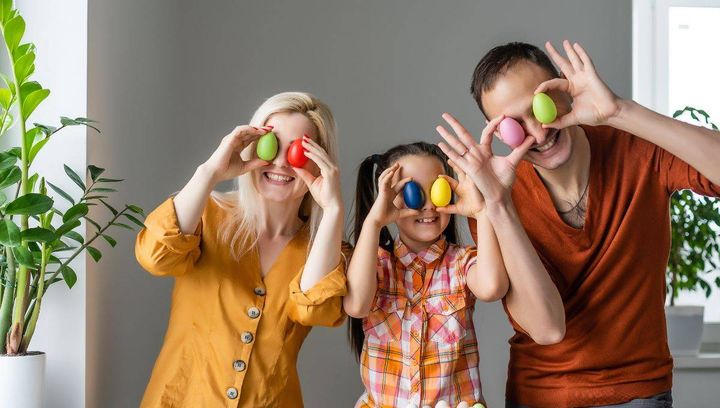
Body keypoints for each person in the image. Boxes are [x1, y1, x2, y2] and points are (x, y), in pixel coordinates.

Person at [438, 40, 720, 407]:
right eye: (514, 125)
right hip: (540, 394)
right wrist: (498, 205)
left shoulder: (635, 148)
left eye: (539, 108)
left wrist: (618, 110)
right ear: (496, 132)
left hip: (639, 390)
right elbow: (547, 329)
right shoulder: (496, 194)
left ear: (562, 88)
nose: (538, 133)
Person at [135, 92, 349, 407]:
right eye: (272, 144)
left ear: (321, 162)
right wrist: (210, 172)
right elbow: (155, 256)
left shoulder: (326, 248)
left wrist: (332, 210)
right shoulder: (206, 214)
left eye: (298, 151)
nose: (279, 162)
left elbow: (315, 309)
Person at [344, 142, 565, 407]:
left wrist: (481, 211)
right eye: (412, 192)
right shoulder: (377, 264)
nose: (428, 206)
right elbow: (356, 306)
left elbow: (492, 287)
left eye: (438, 191)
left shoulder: (460, 262)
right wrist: (374, 221)